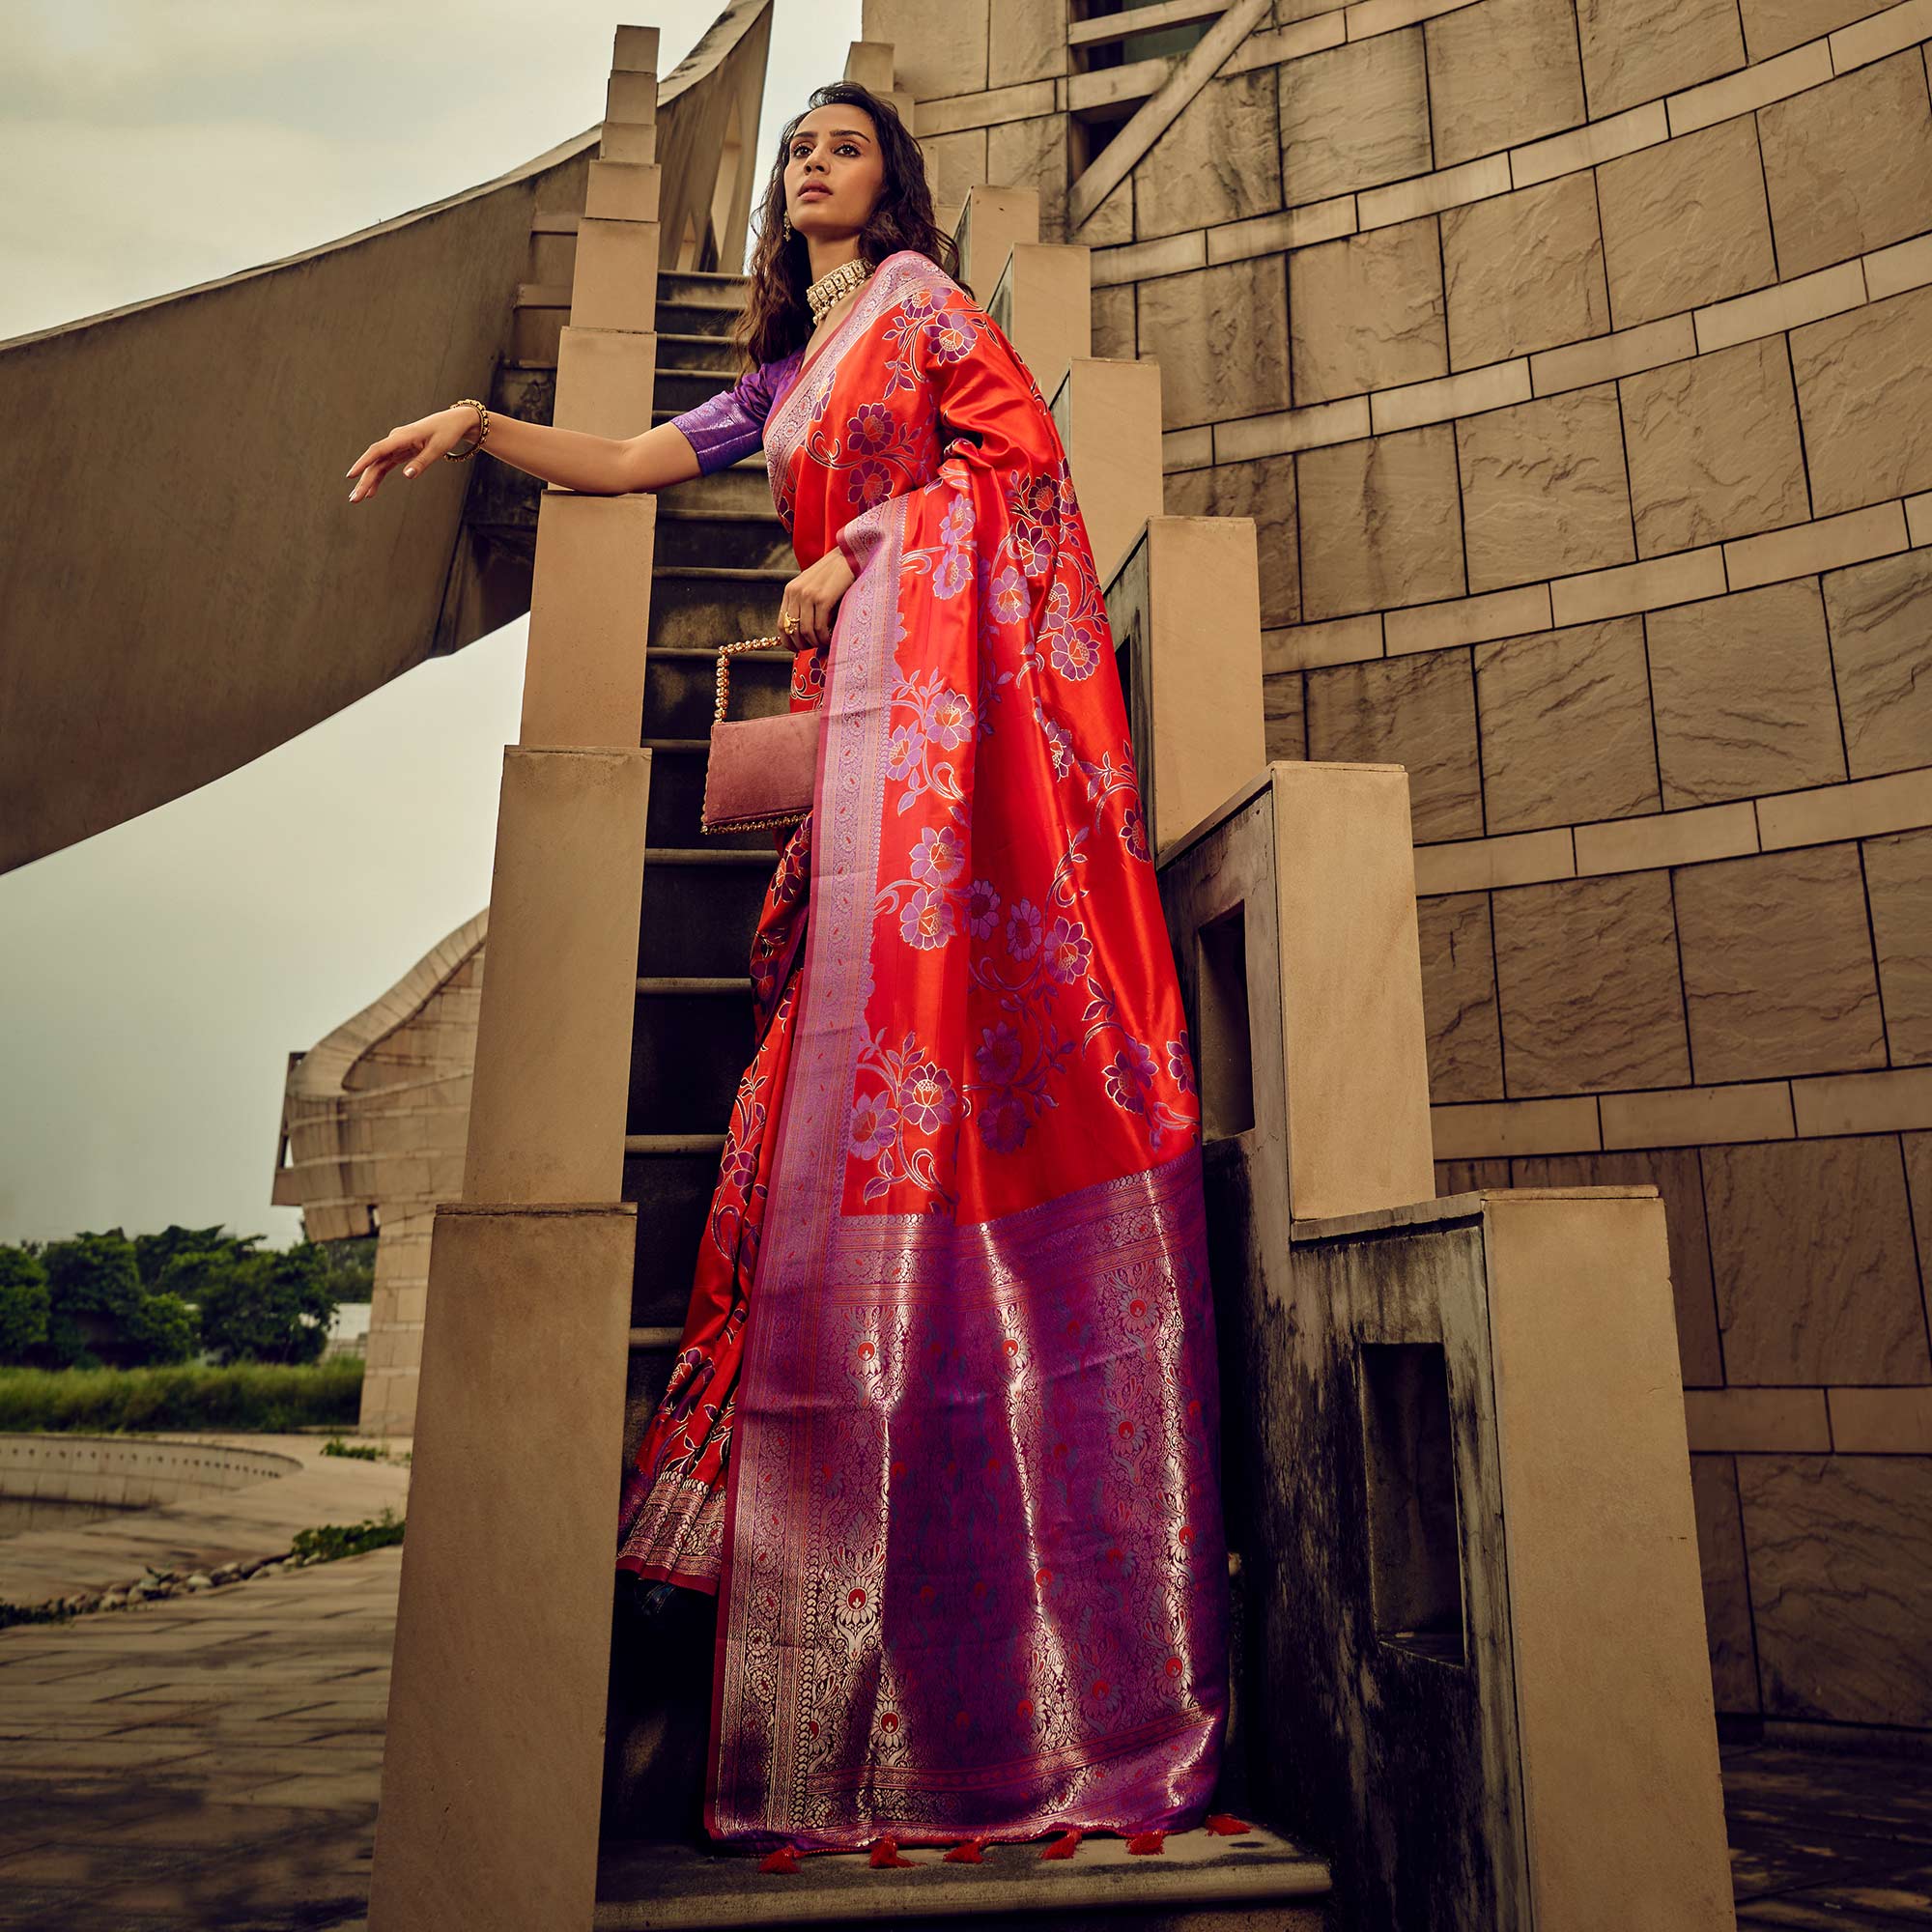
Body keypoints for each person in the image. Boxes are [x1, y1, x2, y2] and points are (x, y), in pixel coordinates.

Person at [346, 80, 1231, 1869]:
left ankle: (1014, 1642)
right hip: (856, 758)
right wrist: (481, 427)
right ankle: (793, 1569)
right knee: (799, 1125)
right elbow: (635, 466)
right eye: (796, 151)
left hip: (953, 755)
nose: (810, 160)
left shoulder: (924, 312)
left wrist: (858, 546)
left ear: (891, 182)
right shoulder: (784, 377)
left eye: (842, 142)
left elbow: (1021, 477)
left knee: (924, 1095)